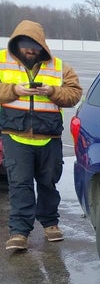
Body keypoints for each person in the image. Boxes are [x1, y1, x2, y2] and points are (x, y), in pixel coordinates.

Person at [0, 20, 82, 252]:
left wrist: (52, 92)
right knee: (20, 184)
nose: (30, 51)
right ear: (17, 45)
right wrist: (14, 90)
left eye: (35, 48)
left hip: (49, 136)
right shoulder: (2, 61)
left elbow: (74, 93)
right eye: (26, 46)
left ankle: (50, 224)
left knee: (48, 182)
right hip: (15, 135)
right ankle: (19, 232)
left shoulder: (58, 66)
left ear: (42, 47)